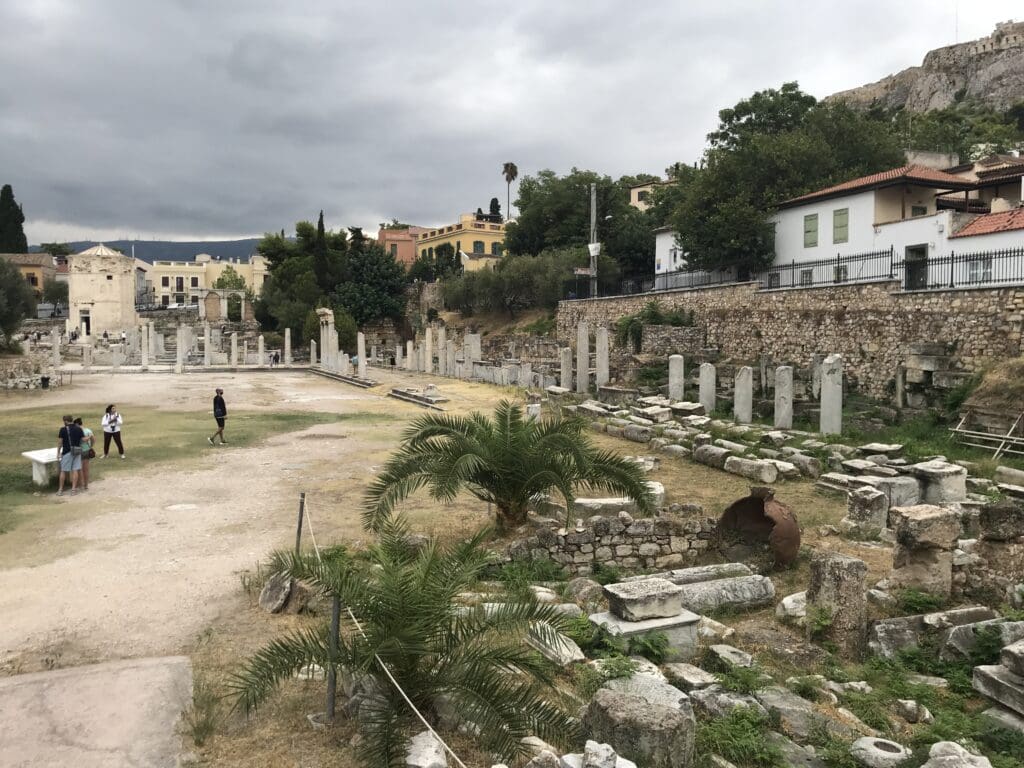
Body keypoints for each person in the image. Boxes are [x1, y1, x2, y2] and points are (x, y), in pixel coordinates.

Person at [56, 414, 84, 496]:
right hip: (77, 451)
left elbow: (60, 442)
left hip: (67, 451)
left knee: (63, 471)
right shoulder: (79, 429)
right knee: (75, 470)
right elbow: (82, 440)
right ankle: (73, 489)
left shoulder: (63, 430)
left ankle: (60, 489)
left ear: (65, 421)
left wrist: (58, 452)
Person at [74, 417, 94, 490]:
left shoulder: (77, 431)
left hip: (79, 451)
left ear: (76, 424)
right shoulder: (88, 430)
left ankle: (81, 485)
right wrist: (91, 446)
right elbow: (93, 440)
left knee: (80, 469)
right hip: (87, 450)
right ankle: (86, 485)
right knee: (86, 469)